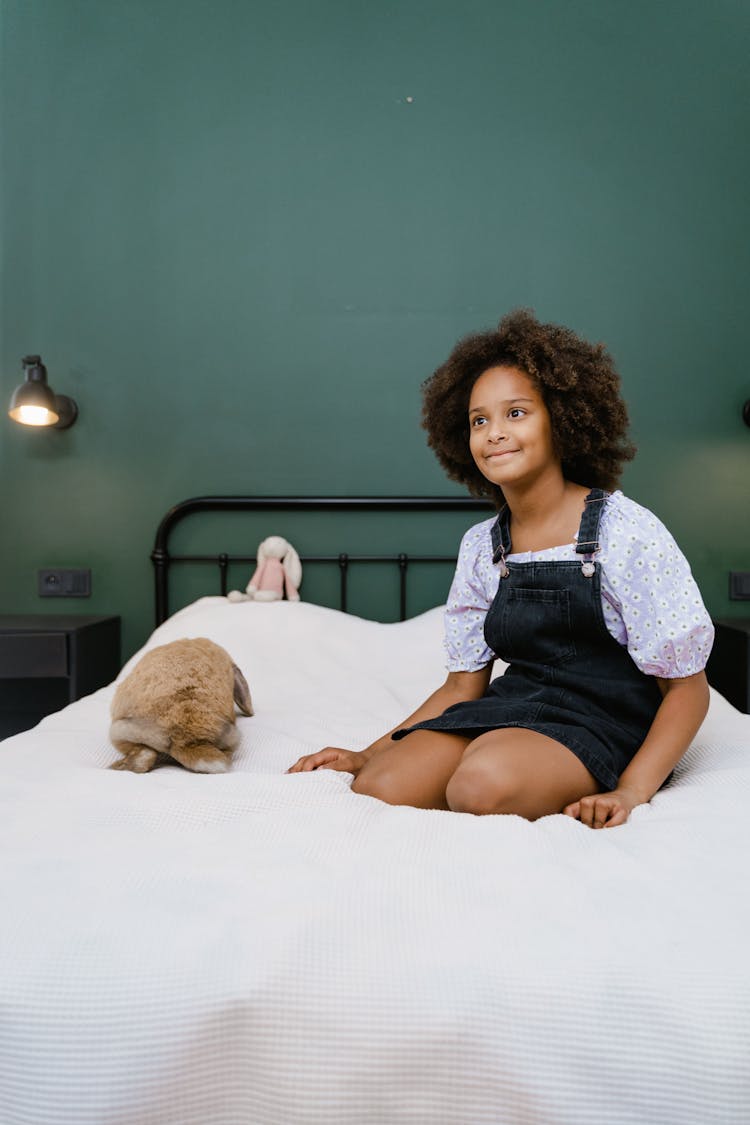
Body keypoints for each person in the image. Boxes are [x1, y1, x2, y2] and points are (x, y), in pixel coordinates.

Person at [288, 309, 714, 828]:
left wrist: (630, 790)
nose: (494, 433)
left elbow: (688, 690)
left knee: (478, 785)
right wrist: (367, 753)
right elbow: (461, 688)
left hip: (603, 719)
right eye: (479, 420)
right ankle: (494, 756)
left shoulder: (625, 531)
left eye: (516, 413)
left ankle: (521, 764)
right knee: (379, 786)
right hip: (514, 706)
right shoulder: (481, 547)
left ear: (561, 419)